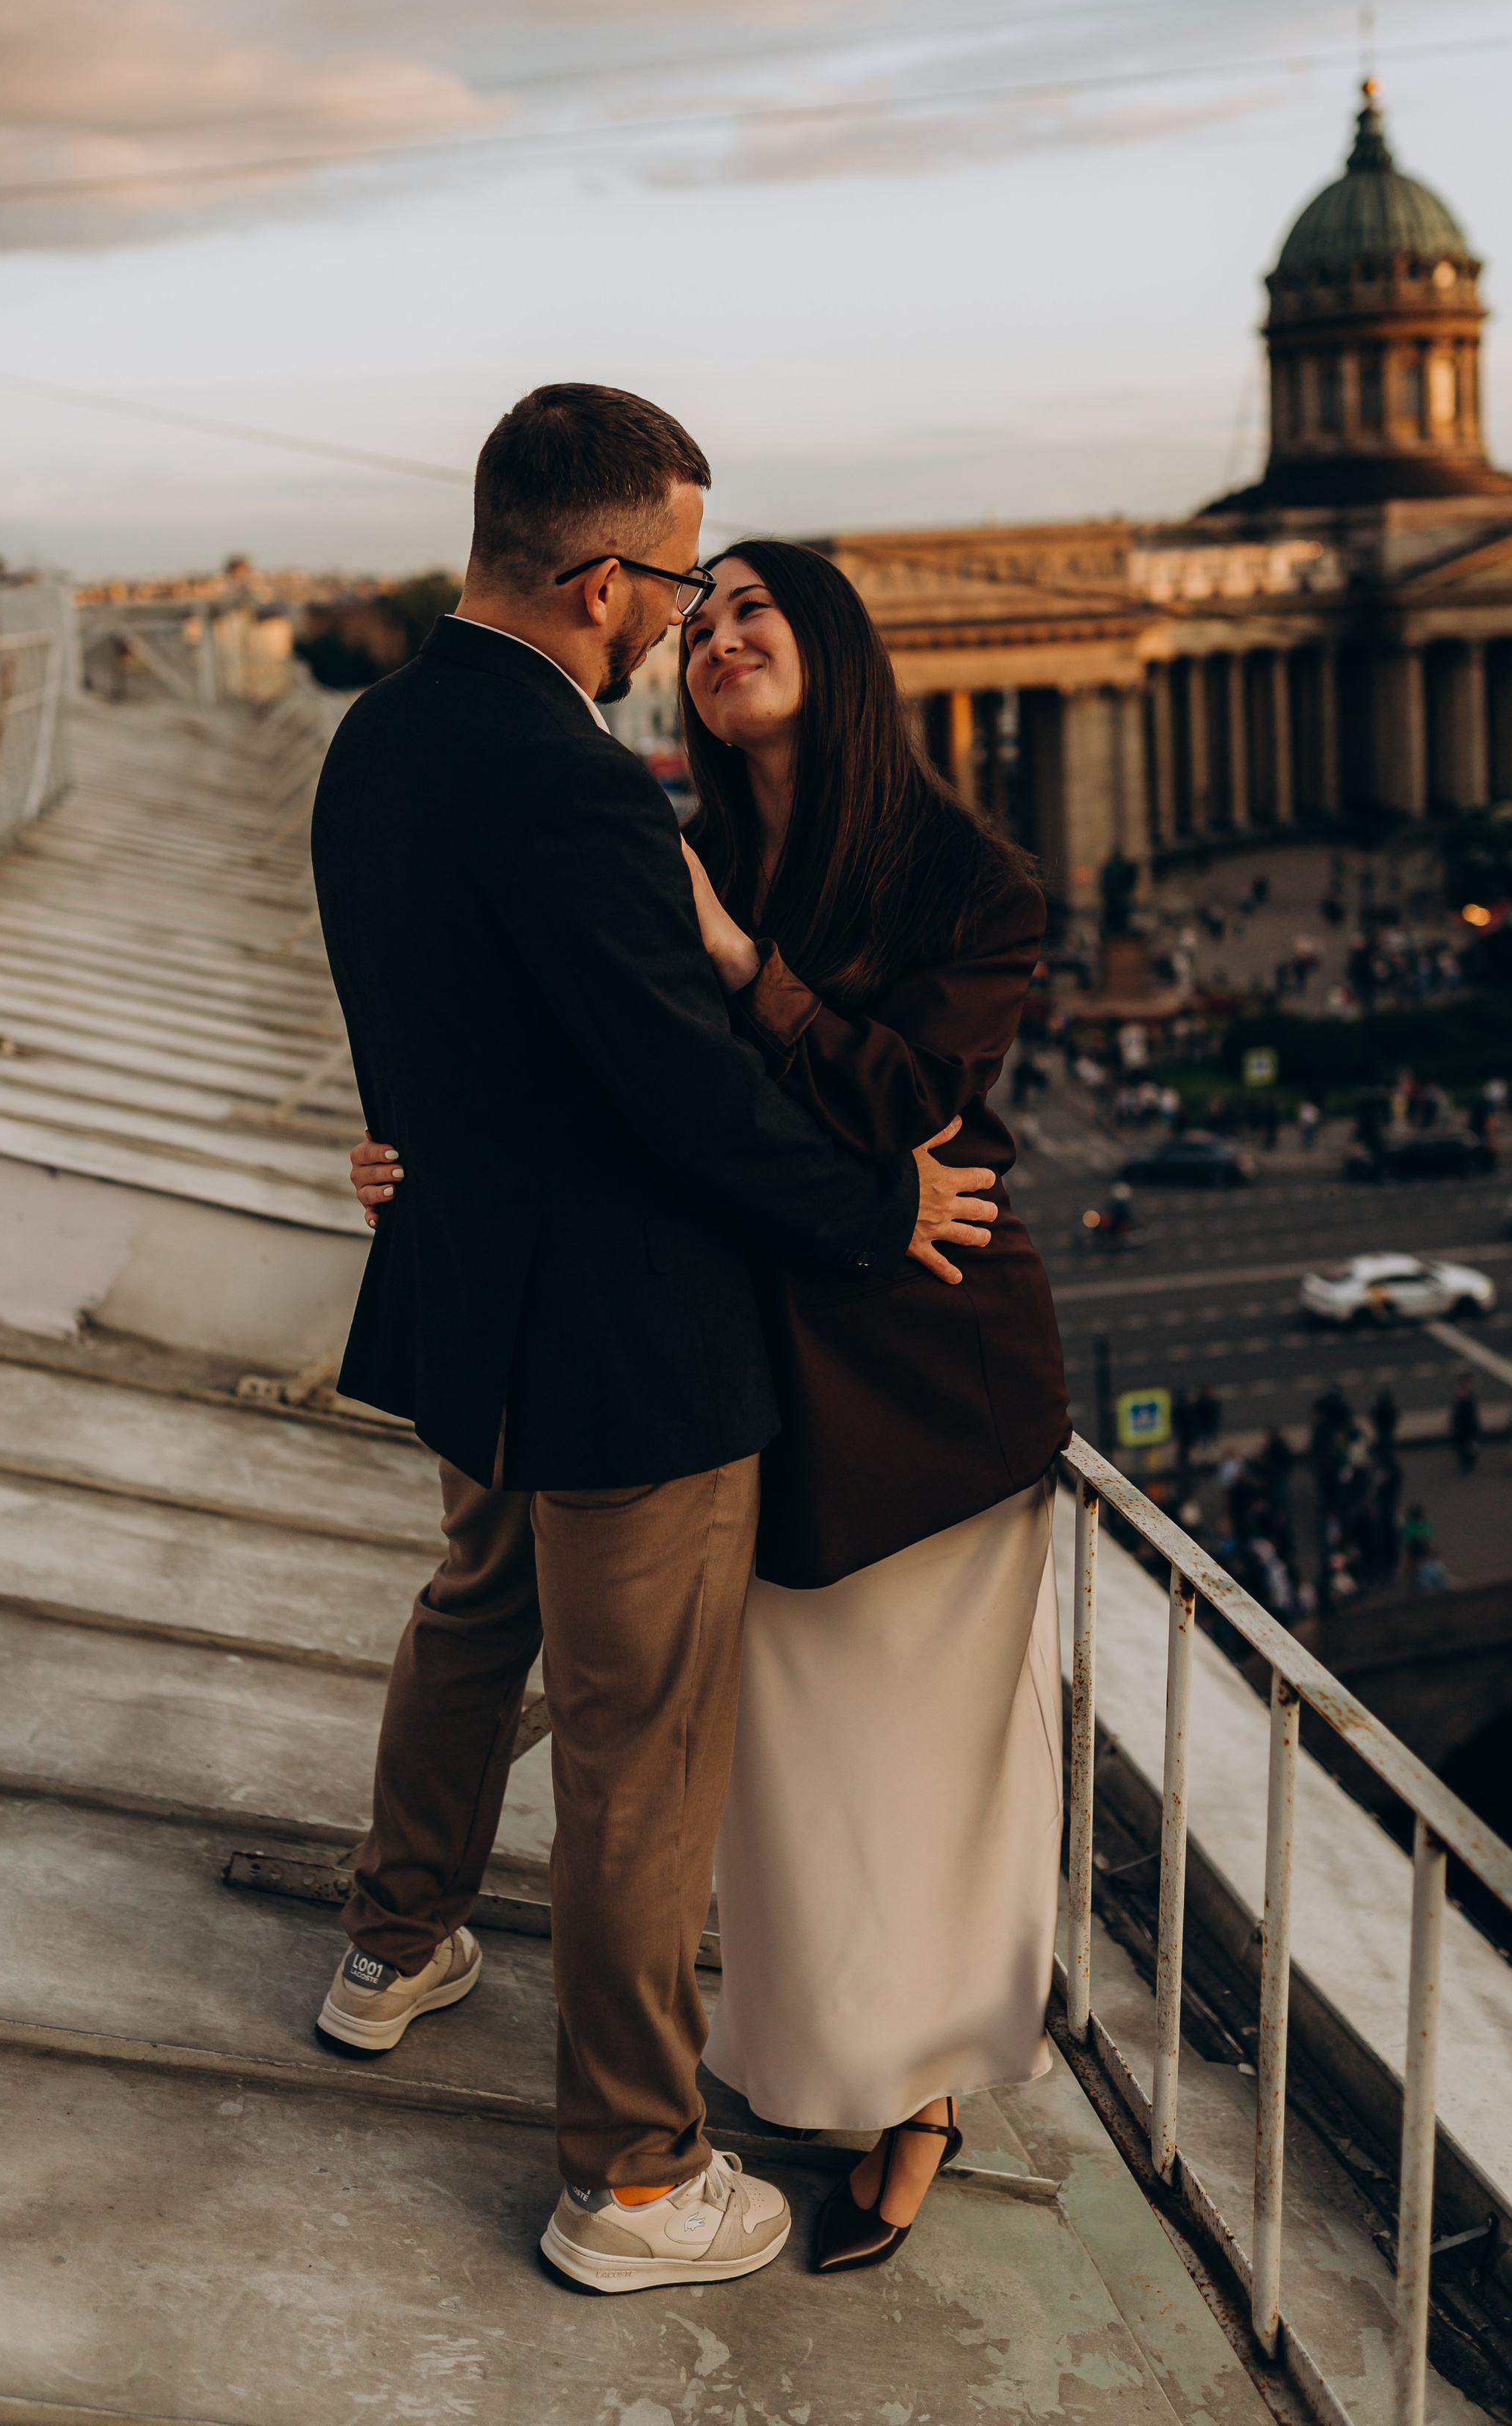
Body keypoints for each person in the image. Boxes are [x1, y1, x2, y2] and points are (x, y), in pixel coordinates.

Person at [312, 386, 999, 2299]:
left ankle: (391, 1949)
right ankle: (628, 2175)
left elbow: (409, 1025)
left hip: (474, 1306)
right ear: (604, 578)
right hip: (630, 1351)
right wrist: (883, 1211)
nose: (684, 618)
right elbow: (683, 1096)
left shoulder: (375, 740)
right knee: (639, 1755)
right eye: (678, 579)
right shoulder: (582, 786)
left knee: (470, 1616)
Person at [1448, 1376, 1481, 1474]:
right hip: (1462, 1430)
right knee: (1463, 1448)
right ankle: (1466, 1464)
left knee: (1466, 1448)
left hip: (1465, 1430)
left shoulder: (1465, 1402)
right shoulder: (1464, 1402)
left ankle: (1467, 1464)